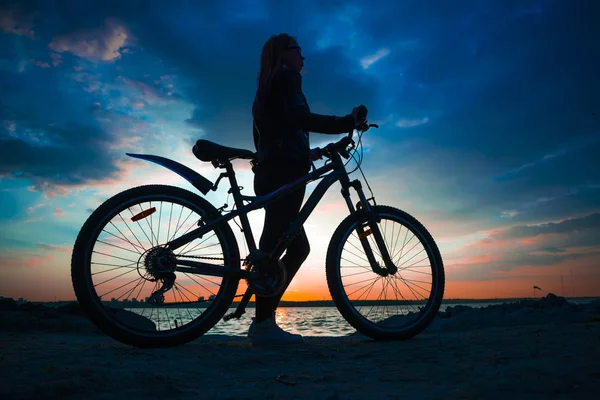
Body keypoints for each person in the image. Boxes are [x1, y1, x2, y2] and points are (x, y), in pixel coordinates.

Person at [249, 33, 367, 346]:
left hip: (271, 170)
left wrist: (310, 152)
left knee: (286, 244)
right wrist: (347, 122)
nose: (303, 57)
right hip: (283, 172)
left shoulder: (266, 88)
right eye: (298, 50)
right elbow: (299, 117)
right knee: (280, 244)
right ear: (283, 54)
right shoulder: (287, 78)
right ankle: (262, 326)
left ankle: (263, 323)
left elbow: (276, 132)